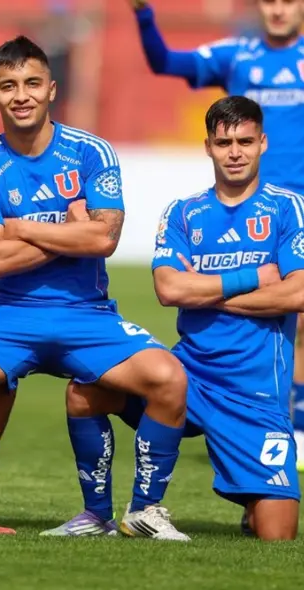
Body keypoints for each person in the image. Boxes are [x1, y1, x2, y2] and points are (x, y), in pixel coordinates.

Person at [0, 36, 190, 540]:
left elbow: (104, 238)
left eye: (32, 83)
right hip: (8, 312)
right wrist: (71, 231)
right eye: (8, 86)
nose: (21, 95)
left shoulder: (90, 152)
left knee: (168, 377)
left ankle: (140, 512)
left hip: (87, 313)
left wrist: (21, 227)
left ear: (51, 89)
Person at [51, 96, 302, 541]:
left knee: (276, 535)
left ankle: (253, 499)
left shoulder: (287, 209)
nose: (235, 153)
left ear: (262, 143)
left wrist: (205, 291)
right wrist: (253, 279)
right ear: (208, 147)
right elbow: (169, 289)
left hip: (255, 396)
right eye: (224, 143)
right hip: (189, 375)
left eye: (245, 142)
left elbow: (297, 293)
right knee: (86, 392)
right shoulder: (183, 213)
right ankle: (103, 514)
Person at [130, 0, 304, 471]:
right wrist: (144, 14)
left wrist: (207, 297)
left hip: (294, 206)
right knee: (275, 314)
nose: (279, 10)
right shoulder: (236, 55)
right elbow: (164, 62)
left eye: (289, 0)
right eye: (269, 0)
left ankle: (292, 422)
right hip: (245, 203)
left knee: (297, 312)